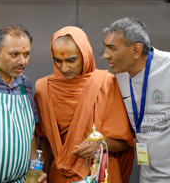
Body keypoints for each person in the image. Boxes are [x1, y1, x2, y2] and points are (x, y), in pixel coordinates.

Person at [34, 26, 134, 183]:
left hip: (99, 174)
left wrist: (100, 144)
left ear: (85, 55)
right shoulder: (43, 88)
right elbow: (45, 143)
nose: (64, 68)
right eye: (58, 61)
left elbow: (126, 142)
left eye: (71, 60)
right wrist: (40, 175)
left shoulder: (106, 84)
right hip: (57, 176)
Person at [0, 24, 47, 182]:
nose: (22, 62)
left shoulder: (25, 84)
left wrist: (34, 171)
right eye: (14, 54)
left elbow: (30, 134)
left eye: (26, 55)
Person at [103, 17, 170, 183]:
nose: (105, 55)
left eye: (112, 48)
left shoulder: (167, 67)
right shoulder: (120, 75)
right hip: (147, 175)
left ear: (136, 50)